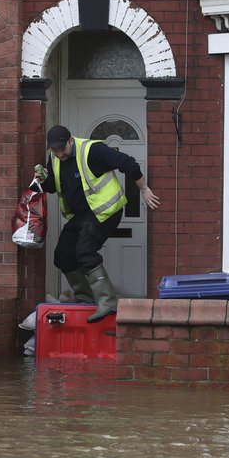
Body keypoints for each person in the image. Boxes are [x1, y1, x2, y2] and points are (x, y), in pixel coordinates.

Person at [34, 125, 160, 322]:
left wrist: (143, 189)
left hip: (107, 211)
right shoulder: (55, 158)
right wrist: (43, 180)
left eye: (62, 149)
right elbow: (52, 187)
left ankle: (107, 301)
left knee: (85, 251)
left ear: (70, 141)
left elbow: (127, 163)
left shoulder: (92, 150)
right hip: (82, 215)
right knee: (62, 255)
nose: (59, 154)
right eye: (55, 151)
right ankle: (87, 298)